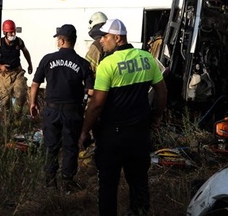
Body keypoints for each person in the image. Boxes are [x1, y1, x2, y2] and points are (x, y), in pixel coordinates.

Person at [79, 18, 167, 216]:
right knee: (139, 181)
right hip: (139, 134)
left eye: (105, 37)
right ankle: (140, 212)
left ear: (117, 38)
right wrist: (157, 117)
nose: (101, 41)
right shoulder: (146, 58)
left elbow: (97, 104)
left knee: (108, 184)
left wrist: (84, 131)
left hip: (112, 135)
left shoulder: (107, 64)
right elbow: (162, 91)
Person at [30, 24, 94, 192]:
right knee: (70, 147)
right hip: (72, 112)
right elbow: (91, 90)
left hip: (51, 111)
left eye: (58, 39)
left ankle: (50, 184)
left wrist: (33, 103)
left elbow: (35, 83)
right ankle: (67, 182)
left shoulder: (47, 59)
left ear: (62, 40)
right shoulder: (83, 63)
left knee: (51, 147)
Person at [0, 19, 33, 118]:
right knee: (5, 101)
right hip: (4, 75)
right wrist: (0, 66)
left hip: (17, 73)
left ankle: (17, 116)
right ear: (5, 32)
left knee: (21, 94)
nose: (13, 34)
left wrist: (30, 64)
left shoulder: (19, 41)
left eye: (14, 31)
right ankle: (8, 120)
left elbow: (25, 51)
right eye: (10, 32)